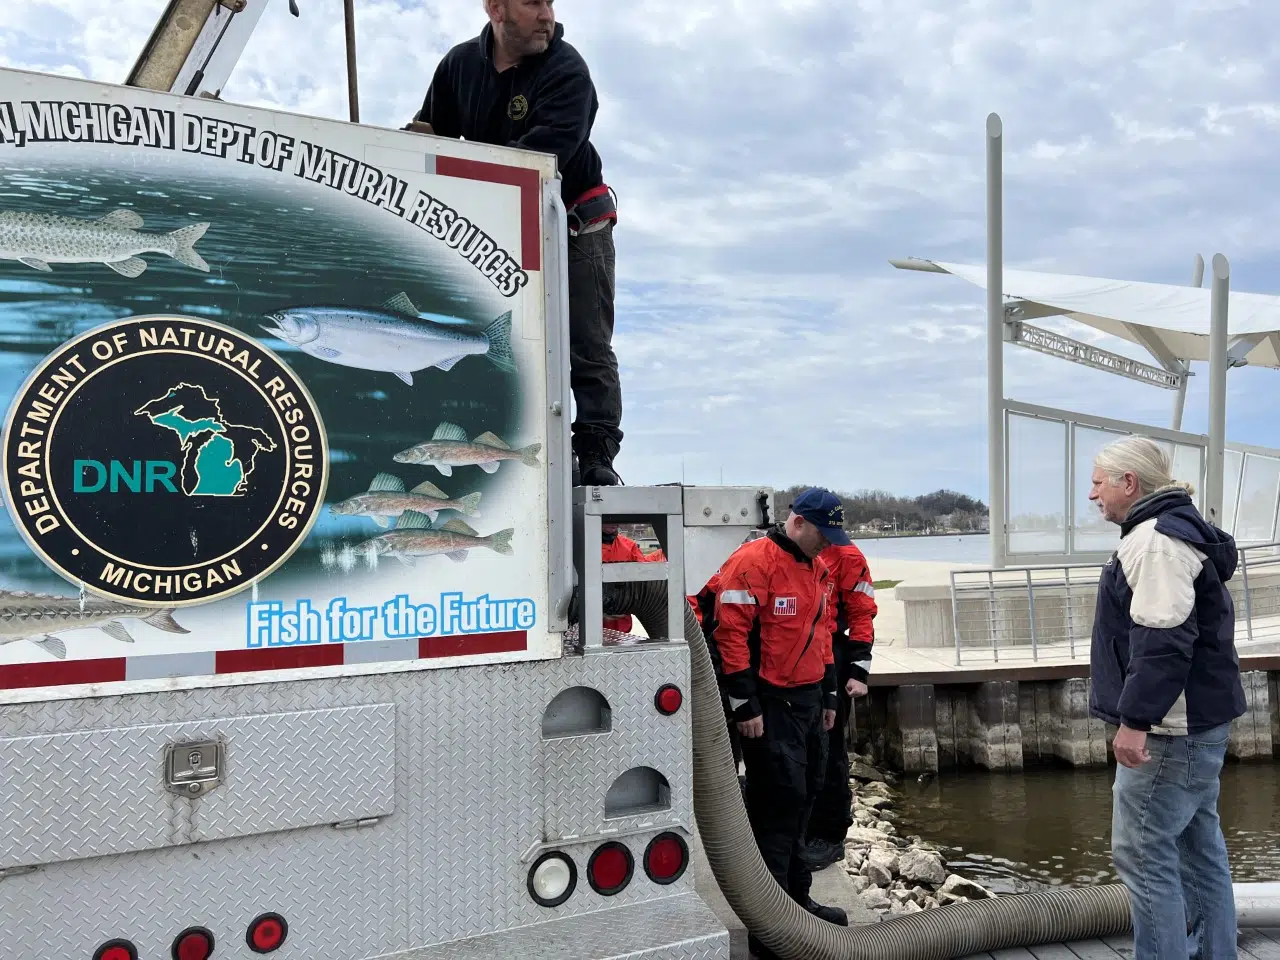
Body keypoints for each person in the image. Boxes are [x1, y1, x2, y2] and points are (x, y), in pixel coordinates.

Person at [408, 0, 623, 486]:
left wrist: (462, 177)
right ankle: (508, 433)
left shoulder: (568, 70)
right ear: (495, 8)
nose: (547, 14)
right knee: (505, 336)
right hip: (496, 223)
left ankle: (594, 453)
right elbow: (430, 136)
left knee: (586, 342)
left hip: (573, 223)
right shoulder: (459, 66)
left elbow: (544, 157)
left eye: (550, 2)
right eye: (533, 2)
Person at [1087, 435, 1246, 960]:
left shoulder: (1154, 540)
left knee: (1142, 856)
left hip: (1169, 733)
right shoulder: (1177, 532)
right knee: (1199, 852)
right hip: (1199, 726)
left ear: (1128, 483)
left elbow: (1163, 640)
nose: (1093, 495)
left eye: (1097, 482)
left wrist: (1134, 721)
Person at [711, 488, 851, 958]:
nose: (827, 544)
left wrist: (829, 693)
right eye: (822, 534)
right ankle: (771, 929)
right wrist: (744, 706)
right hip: (770, 705)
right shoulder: (754, 562)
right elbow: (730, 634)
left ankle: (797, 902)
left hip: (809, 702)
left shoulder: (818, 567)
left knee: (807, 794)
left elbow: (823, 633)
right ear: (797, 523)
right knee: (777, 806)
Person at [802, 537, 877, 870]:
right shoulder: (786, 552)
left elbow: (862, 613)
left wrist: (860, 669)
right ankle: (802, 824)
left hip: (832, 653)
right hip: (795, 655)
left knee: (829, 748)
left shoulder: (846, 556)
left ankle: (831, 835)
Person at [601, 524, 663, 633]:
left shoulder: (629, 547)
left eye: (616, 519)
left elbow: (645, 581)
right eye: (606, 519)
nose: (612, 523)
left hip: (621, 622)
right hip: (586, 622)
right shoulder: (583, 546)